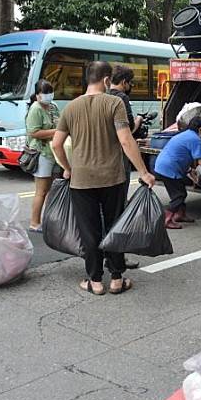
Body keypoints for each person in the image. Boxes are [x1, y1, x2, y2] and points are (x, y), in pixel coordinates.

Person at [52, 61, 155, 296]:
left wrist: (68, 168)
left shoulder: (71, 107)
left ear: (88, 79)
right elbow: (126, 141)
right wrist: (144, 172)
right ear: (107, 80)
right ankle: (117, 278)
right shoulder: (114, 103)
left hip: (81, 180)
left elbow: (56, 144)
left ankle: (95, 281)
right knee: (114, 226)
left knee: (89, 231)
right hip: (113, 178)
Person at [108, 65, 142, 269]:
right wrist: (137, 121)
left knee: (104, 211)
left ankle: (103, 252)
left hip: (102, 160)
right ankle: (117, 256)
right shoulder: (121, 98)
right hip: (119, 159)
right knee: (118, 209)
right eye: (130, 83)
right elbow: (127, 132)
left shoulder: (101, 96)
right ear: (124, 82)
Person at [154, 115, 201, 229]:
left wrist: (190, 170)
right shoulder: (195, 139)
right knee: (179, 195)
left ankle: (180, 215)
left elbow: (181, 154)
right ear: (200, 129)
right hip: (169, 168)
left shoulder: (184, 134)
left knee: (180, 191)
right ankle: (166, 219)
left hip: (162, 165)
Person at [25, 79, 59, 232]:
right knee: (42, 190)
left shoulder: (54, 107)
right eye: (44, 94)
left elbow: (60, 123)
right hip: (42, 153)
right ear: (37, 95)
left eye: (50, 93)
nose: (48, 96)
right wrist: (56, 132)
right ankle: (34, 222)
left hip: (54, 152)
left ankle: (49, 220)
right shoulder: (35, 109)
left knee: (52, 190)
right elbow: (34, 132)